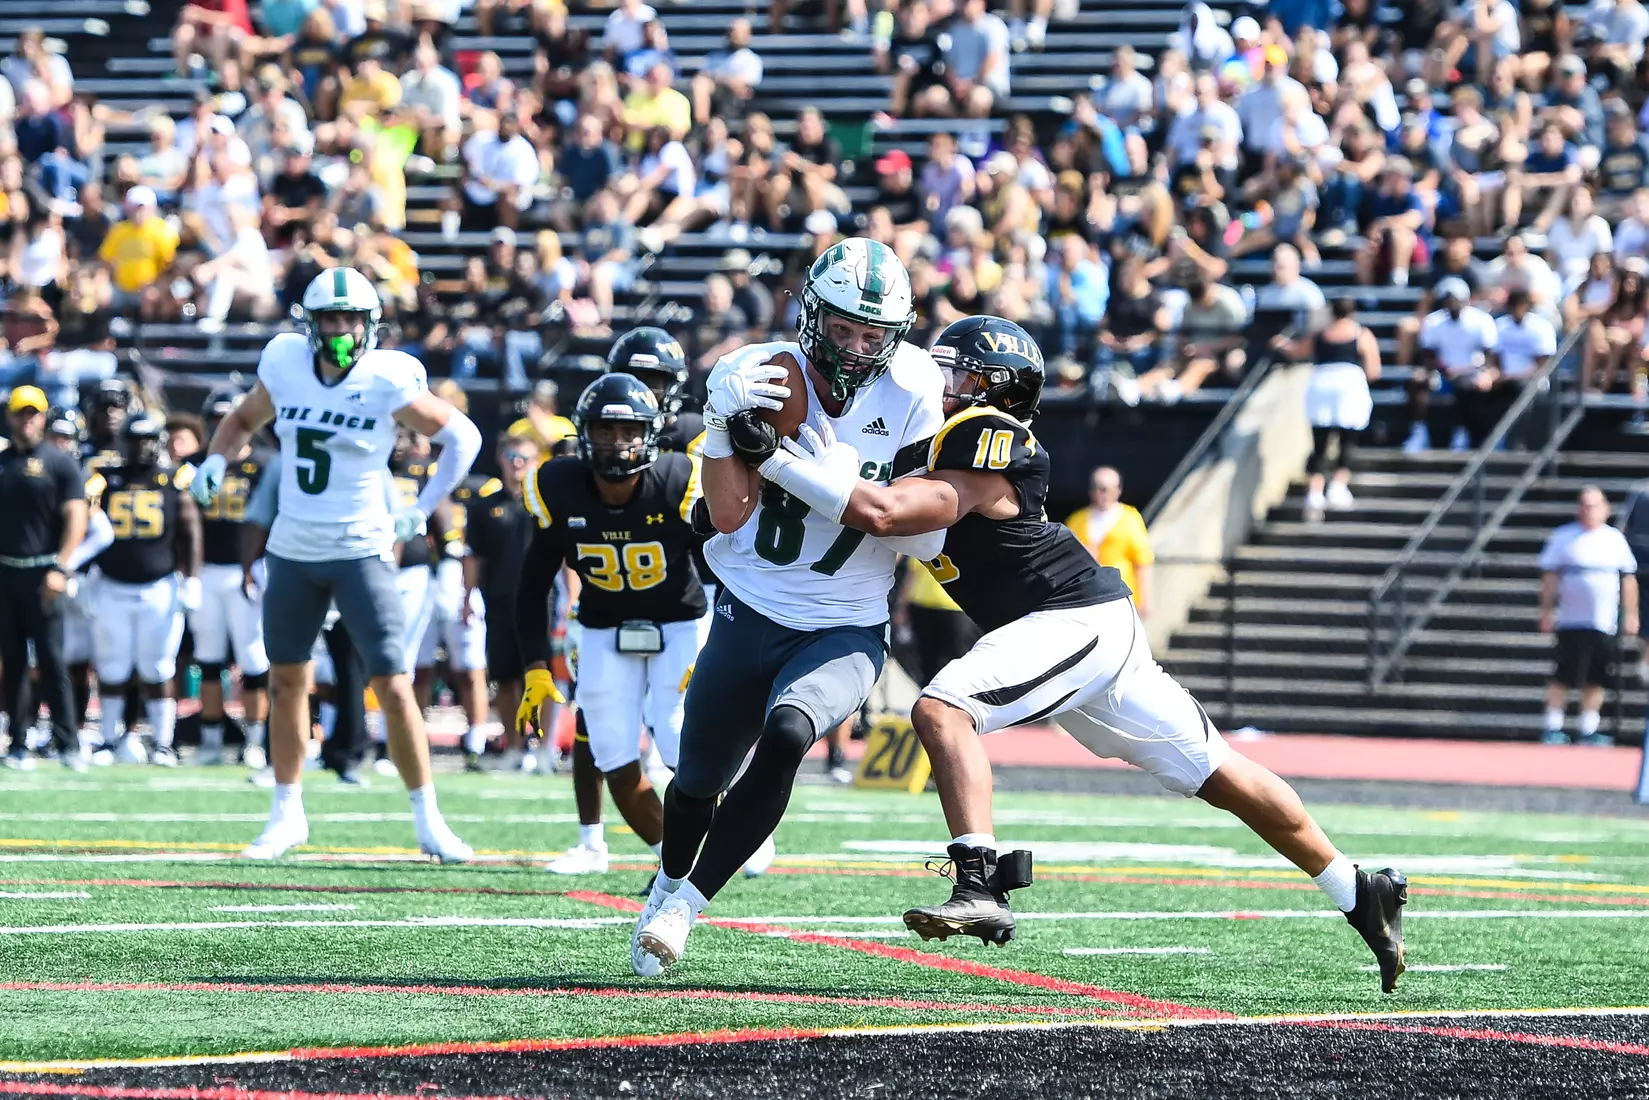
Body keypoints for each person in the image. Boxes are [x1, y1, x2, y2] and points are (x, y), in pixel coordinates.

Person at [758, 315, 1409, 993]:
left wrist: (781, 461)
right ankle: (1358, 889)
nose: (942, 385)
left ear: (997, 389)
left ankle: (979, 882)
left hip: (1072, 618)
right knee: (1218, 774)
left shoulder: (987, 433)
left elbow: (892, 513)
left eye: (959, 375)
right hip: (1076, 631)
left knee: (942, 710)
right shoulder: (927, 442)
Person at [631, 237, 945, 973]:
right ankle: (666, 881)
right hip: (749, 606)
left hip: (845, 620)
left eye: (872, 334)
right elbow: (728, 516)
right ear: (811, 314)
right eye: (843, 328)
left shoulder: (913, 385)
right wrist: (719, 427)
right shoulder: (752, 373)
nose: (857, 348)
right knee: (696, 781)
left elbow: (920, 533)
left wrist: (806, 471)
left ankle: (685, 905)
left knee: (787, 731)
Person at [190, 268, 483, 861]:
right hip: (293, 548)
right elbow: (244, 419)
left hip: (361, 548)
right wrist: (216, 458)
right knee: (286, 681)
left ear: (370, 325)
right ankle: (286, 814)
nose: (341, 329)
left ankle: (428, 819)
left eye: (351, 319)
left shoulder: (387, 378)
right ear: (311, 324)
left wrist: (421, 507)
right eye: (331, 319)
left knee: (393, 683)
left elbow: (464, 438)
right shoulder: (285, 363)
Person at [516, 373, 701, 875]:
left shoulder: (676, 480)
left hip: (680, 622)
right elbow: (531, 587)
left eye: (629, 431)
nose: (617, 443)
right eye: (604, 430)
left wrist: (723, 643)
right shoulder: (558, 487)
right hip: (603, 625)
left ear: (650, 434)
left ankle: (738, 832)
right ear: (583, 433)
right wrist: (536, 666)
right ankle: (677, 863)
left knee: (678, 738)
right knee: (612, 755)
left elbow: (724, 567)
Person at [88, 416, 201, 768]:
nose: (141, 447)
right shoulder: (105, 478)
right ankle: (108, 740)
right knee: (112, 667)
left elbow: (190, 529)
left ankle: (163, 743)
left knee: (158, 668)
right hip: (112, 585)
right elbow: (84, 522)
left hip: (159, 586)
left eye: (148, 439)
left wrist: (193, 578)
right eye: (135, 440)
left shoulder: (172, 479)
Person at [0, 386, 88, 770]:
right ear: (9, 416)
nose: (27, 419)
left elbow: (76, 518)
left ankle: (68, 743)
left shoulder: (59, 463)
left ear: (43, 417)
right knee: (13, 661)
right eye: (21, 412)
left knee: (52, 661)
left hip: (43, 574)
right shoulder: (3, 462)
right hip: (6, 572)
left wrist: (61, 566)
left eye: (33, 413)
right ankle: (18, 743)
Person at [184, 388, 271, 767]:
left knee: (253, 656)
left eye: (227, 418)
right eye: (215, 419)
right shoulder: (193, 464)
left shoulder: (264, 464)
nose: (221, 425)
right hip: (205, 571)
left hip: (248, 571)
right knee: (208, 657)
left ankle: (255, 741)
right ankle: (211, 739)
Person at [462, 429, 540, 768]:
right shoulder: (484, 506)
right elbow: (474, 557)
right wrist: (467, 598)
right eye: (511, 457)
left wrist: (571, 599)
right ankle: (514, 746)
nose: (517, 464)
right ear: (500, 460)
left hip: (540, 602)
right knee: (505, 677)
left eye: (524, 458)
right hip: (499, 600)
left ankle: (543, 747)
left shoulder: (545, 504)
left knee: (538, 676)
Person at [1539, 487, 1638, 746]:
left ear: (1605, 509)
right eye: (1584, 504)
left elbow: (1628, 579)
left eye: (1594, 505)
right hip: (1570, 620)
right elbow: (1549, 578)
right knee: (1563, 673)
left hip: (1603, 622)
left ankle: (1588, 727)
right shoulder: (1563, 537)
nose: (1588, 510)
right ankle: (1553, 725)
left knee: (1597, 675)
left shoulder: (1614, 539)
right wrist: (1547, 610)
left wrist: (1631, 614)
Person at [1275, 298, 1382, 521]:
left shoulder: (1321, 334)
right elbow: (1374, 370)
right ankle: (1337, 487)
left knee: (1320, 443)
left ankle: (1314, 493)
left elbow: (1297, 351)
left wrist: (1280, 344)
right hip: (1348, 384)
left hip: (1321, 383)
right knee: (1347, 440)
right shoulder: (1361, 334)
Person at [1064, 467, 1153, 620]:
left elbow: (1142, 561)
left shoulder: (1130, 519)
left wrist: (1146, 599)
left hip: (1121, 596)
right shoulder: (1077, 520)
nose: (1102, 494)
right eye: (1098, 488)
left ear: (1118, 490)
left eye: (1107, 489)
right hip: (1086, 598)